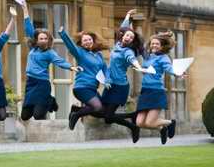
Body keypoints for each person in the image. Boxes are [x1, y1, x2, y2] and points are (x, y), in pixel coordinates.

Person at [21, 1, 81, 121]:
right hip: (30, 83)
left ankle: (48, 100)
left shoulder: (50, 52)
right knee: (25, 116)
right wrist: (24, 9)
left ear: (48, 40)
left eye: (45, 38)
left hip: (42, 83)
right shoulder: (33, 48)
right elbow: (28, 27)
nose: (43, 40)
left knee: (38, 116)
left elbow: (59, 61)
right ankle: (49, 100)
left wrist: (71, 67)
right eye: (41, 38)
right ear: (36, 40)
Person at [101, 9, 144, 143]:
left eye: (131, 38)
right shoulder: (117, 45)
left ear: (132, 41)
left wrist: (138, 66)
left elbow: (133, 60)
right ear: (122, 36)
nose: (129, 38)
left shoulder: (128, 51)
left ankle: (133, 127)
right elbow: (122, 28)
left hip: (120, 87)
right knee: (105, 115)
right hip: (110, 84)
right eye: (127, 36)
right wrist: (127, 15)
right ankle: (132, 115)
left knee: (108, 117)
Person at [58, 26, 108, 130]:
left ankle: (76, 109)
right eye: (85, 40)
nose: (87, 42)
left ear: (93, 41)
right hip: (82, 87)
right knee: (97, 107)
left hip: (93, 88)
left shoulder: (98, 55)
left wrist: (107, 80)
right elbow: (71, 46)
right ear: (81, 43)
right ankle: (76, 115)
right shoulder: (80, 53)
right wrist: (63, 33)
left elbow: (104, 69)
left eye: (89, 39)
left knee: (102, 111)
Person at [135, 31, 180, 145]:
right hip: (145, 91)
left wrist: (177, 73)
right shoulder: (148, 56)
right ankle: (162, 129)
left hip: (156, 92)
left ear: (161, 46)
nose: (154, 45)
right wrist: (127, 19)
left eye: (157, 44)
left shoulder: (163, 58)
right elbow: (139, 42)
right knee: (140, 123)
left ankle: (170, 123)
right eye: (152, 43)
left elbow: (169, 68)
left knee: (150, 122)